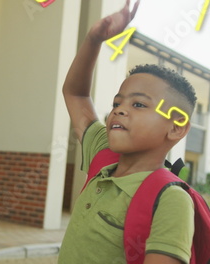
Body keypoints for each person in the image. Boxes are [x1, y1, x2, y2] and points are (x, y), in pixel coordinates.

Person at [58, 0, 198, 263]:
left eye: (138, 104)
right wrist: (94, 39)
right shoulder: (103, 154)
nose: (119, 110)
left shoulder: (171, 200)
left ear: (176, 126)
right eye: (116, 103)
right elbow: (75, 94)